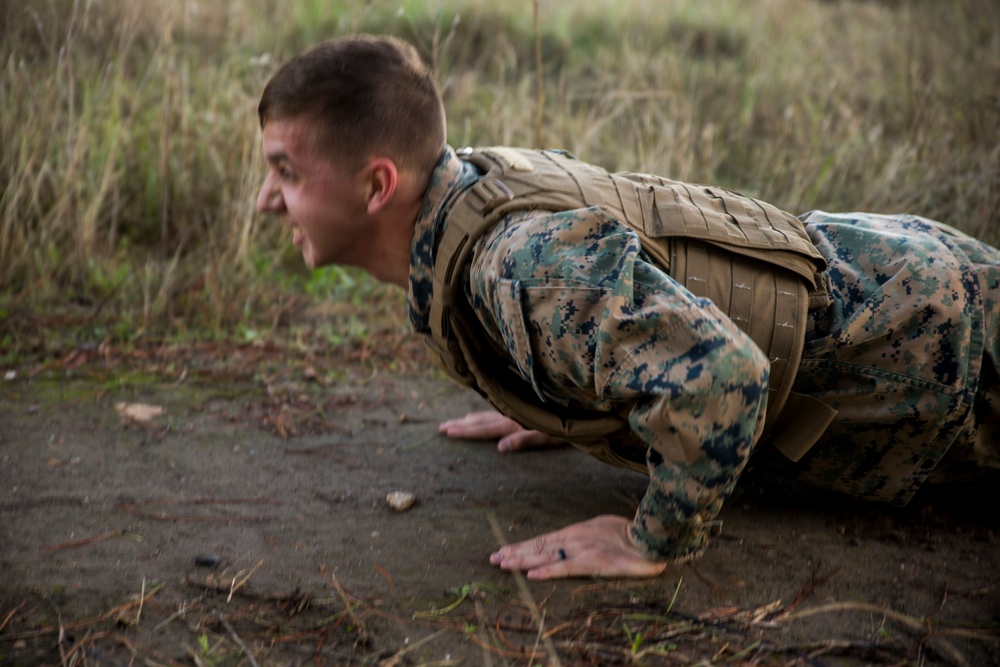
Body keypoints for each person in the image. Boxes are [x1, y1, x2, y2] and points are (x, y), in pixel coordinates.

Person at [255, 35, 1000, 581]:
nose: (266, 200)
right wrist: (568, 377)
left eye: (284, 172)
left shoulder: (519, 271)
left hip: (933, 352)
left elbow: (723, 373)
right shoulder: (471, 190)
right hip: (897, 270)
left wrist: (652, 538)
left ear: (377, 185)